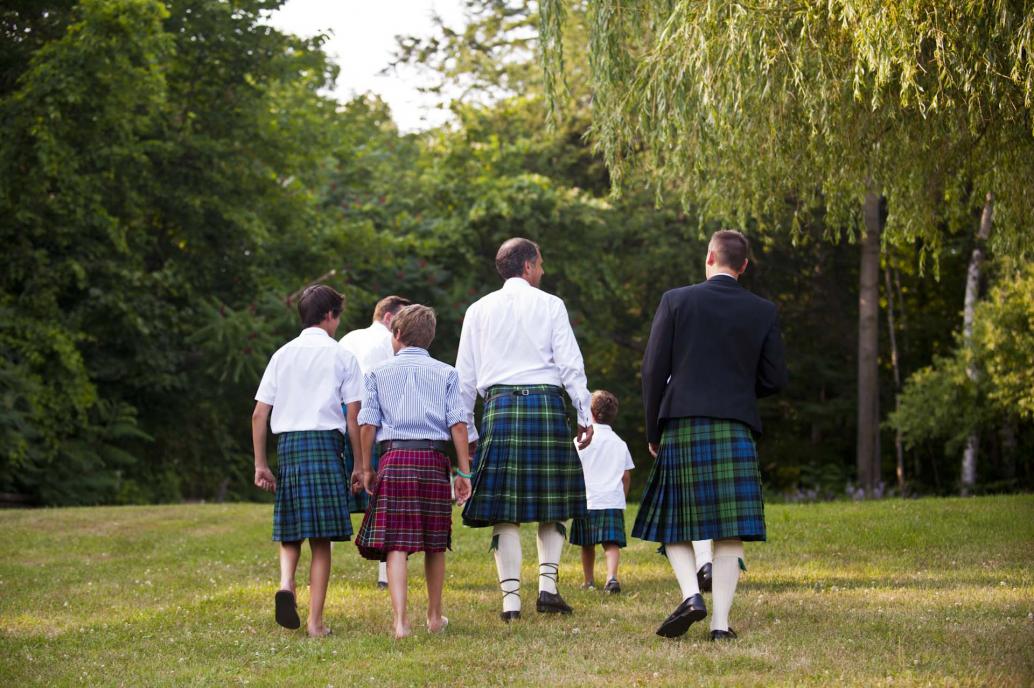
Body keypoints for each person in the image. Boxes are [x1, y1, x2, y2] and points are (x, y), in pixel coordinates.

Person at [634, 230, 788, 641]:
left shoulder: (677, 300)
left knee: (675, 524)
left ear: (709, 258)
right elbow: (775, 379)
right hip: (735, 425)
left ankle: (690, 596)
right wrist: (737, 391)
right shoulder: (763, 310)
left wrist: (653, 428)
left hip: (682, 421)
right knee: (730, 530)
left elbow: (652, 371)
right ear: (744, 265)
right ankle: (720, 625)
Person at [457, 237, 594, 622]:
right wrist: (584, 411)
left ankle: (511, 602)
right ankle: (548, 589)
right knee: (555, 503)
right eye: (542, 264)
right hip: (546, 407)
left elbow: (464, 377)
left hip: (500, 409)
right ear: (529, 266)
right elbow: (570, 363)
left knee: (506, 509)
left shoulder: (478, 309)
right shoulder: (551, 305)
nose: (544, 271)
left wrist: (467, 430)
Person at [353, 305, 473, 639]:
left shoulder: (377, 373)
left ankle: (401, 622)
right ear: (430, 337)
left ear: (397, 333)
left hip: (393, 458)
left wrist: (365, 467)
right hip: (433, 460)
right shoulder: (446, 373)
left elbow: (367, 424)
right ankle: (434, 618)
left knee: (396, 543)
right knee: (436, 542)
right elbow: (458, 425)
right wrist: (464, 473)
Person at [252, 284, 364, 638]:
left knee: (291, 529)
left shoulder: (281, 355)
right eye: (338, 316)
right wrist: (360, 465)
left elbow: (259, 414)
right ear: (329, 315)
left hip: (289, 447)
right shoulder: (342, 356)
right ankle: (316, 624)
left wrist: (260, 464)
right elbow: (353, 418)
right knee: (321, 540)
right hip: (325, 446)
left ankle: (286, 583)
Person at [340, 295, 413, 588]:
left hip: (342, 419)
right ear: (388, 319)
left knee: (339, 495)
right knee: (386, 498)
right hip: (375, 422)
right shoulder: (388, 344)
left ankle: (318, 567)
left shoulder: (348, 338)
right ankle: (386, 574)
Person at [569, 390, 634, 594]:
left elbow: (573, 472)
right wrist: (621, 498)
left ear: (592, 413)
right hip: (612, 500)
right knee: (611, 543)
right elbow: (626, 476)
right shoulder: (619, 443)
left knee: (587, 544)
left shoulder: (579, 441)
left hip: (587, 500)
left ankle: (588, 581)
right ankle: (611, 577)